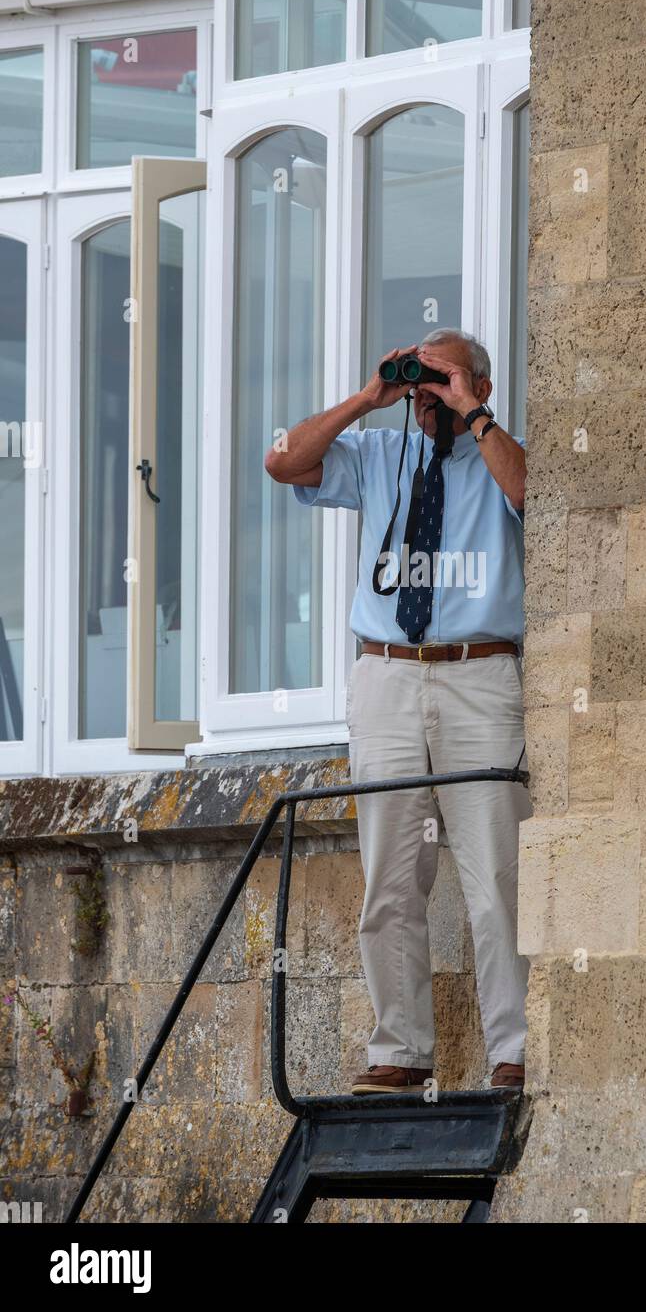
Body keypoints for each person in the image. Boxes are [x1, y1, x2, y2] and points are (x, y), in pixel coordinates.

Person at [265, 328, 531, 1094]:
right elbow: (283, 459)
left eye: (437, 387)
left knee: (496, 875)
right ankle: (400, 1051)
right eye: (418, 392)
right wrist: (367, 397)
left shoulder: (496, 452)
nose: (425, 405)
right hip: (385, 677)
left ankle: (512, 1051)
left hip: (478, 676)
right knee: (388, 877)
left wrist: (472, 414)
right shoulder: (380, 454)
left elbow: (534, 498)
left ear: (477, 385)